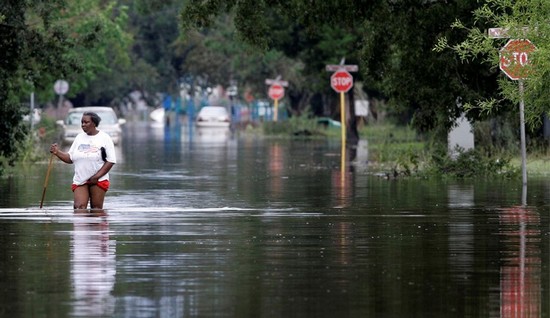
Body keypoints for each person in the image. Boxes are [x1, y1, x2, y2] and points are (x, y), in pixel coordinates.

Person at [50, 111, 117, 210]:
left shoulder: (105, 138)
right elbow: (70, 158)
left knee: (96, 209)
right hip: (80, 179)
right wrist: (57, 152)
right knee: (79, 208)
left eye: (86, 122)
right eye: (82, 122)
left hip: (98, 180)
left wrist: (96, 177)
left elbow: (110, 161)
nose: (83, 125)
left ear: (94, 123)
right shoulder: (79, 138)